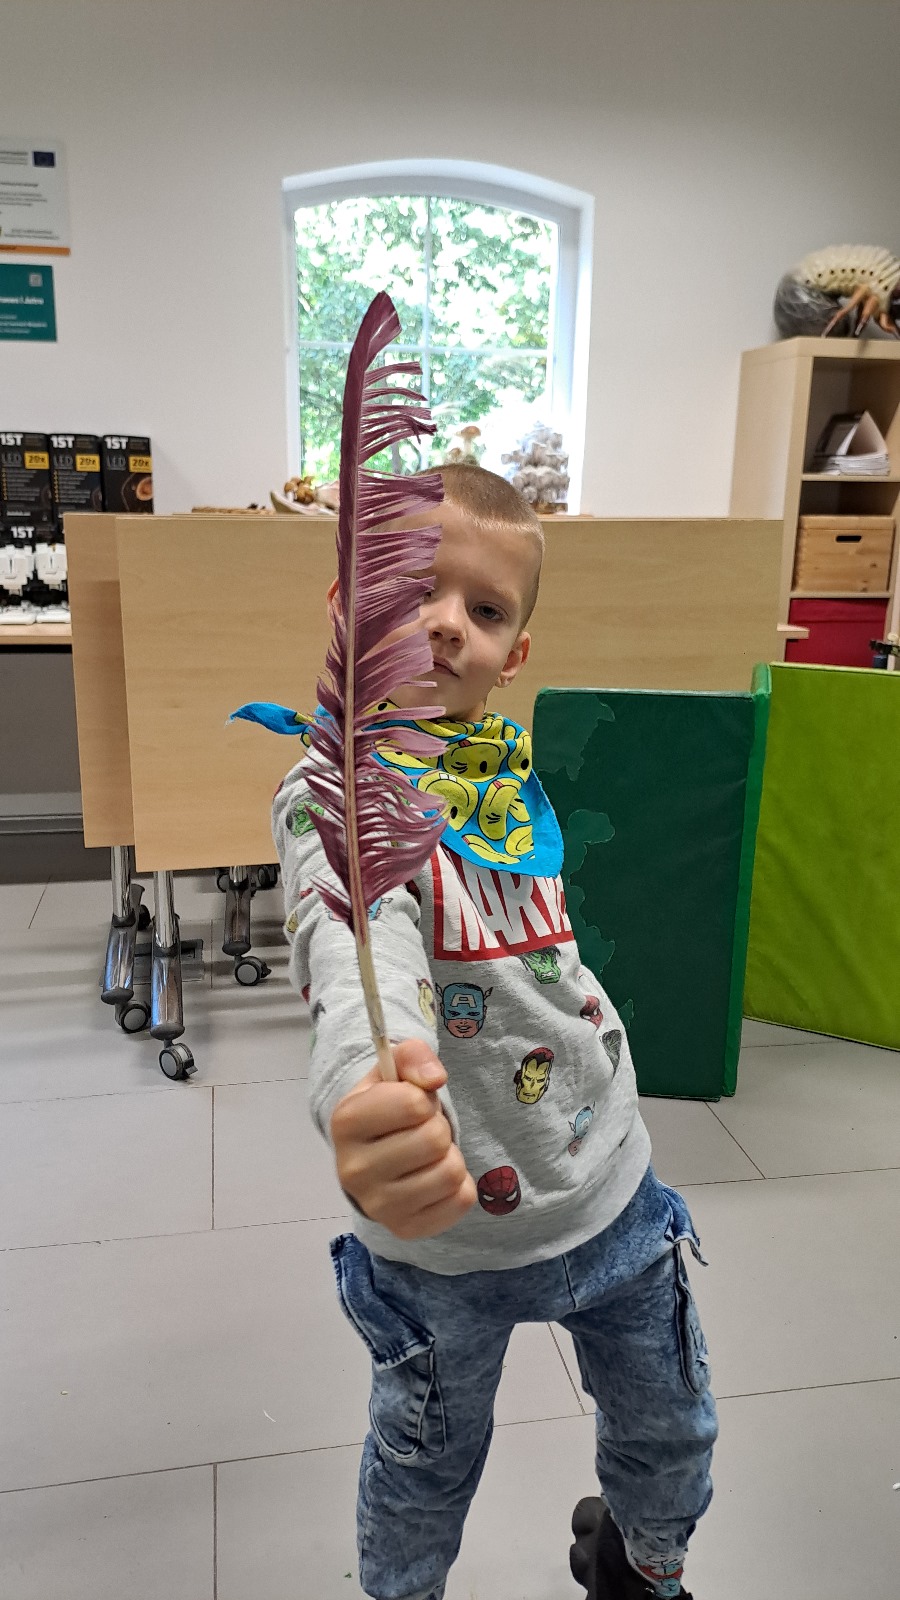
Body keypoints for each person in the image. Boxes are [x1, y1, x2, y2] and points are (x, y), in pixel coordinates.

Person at [271, 465, 718, 1600]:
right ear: (346, 605)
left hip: (607, 1191)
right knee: (422, 1470)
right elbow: (355, 945)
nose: (444, 624)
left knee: (672, 1431)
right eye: (412, 591)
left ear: (514, 653)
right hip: (445, 1252)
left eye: (484, 609)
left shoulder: (504, 772)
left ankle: (640, 1566)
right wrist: (366, 1084)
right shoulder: (338, 802)